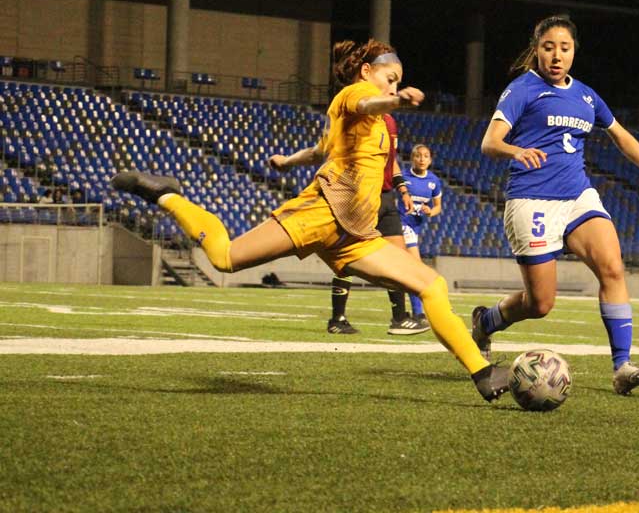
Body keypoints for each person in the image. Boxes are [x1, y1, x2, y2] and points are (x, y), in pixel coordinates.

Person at [111, 38, 509, 402]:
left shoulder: (376, 125)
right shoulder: (357, 94)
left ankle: (482, 372)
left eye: (398, 82)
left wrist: (288, 160)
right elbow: (368, 103)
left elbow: (322, 149)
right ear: (366, 72)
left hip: (356, 235)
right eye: (390, 78)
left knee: (431, 284)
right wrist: (395, 100)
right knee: (225, 257)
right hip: (320, 214)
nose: (392, 85)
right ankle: (168, 195)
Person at [472, 15, 639, 396]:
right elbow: (489, 142)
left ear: (574, 52)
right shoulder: (523, 89)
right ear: (537, 51)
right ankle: (486, 321)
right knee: (540, 303)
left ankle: (621, 367)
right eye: (548, 47)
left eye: (564, 48)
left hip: (578, 196)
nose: (556, 55)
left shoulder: (585, 95)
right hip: (532, 200)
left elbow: (620, 135)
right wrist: (516, 149)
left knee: (613, 268)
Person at [269, 112, 430, 336]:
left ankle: (399, 318)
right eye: (390, 80)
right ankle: (337, 318)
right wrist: (288, 161)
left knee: (399, 257)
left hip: (385, 197)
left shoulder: (390, 121)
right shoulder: (355, 116)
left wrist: (403, 190)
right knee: (349, 255)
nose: (393, 88)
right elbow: (322, 151)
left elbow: (390, 161)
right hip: (360, 196)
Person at [399, 143, 442, 321]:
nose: (422, 159)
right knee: (417, 268)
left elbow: (438, 207)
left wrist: (430, 211)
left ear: (430, 160)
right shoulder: (403, 178)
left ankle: (403, 313)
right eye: (418, 155)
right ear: (412, 159)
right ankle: (420, 312)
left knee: (405, 272)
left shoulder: (433, 182)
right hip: (401, 225)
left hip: (415, 228)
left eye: (425, 156)